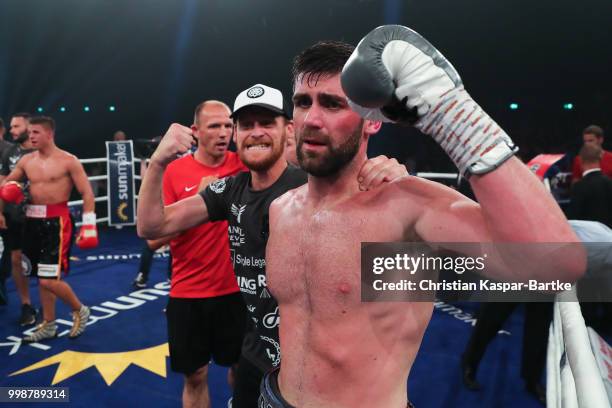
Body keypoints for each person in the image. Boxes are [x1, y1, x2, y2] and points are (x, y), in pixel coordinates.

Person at [261, 28, 584, 407]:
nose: (312, 119)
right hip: (274, 397)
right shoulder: (282, 208)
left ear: (372, 121)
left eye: (332, 104)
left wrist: (451, 114)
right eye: (303, 102)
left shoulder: (406, 211)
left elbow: (556, 265)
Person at [137, 83, 408, 407]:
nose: (256, 132)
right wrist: (157, 163)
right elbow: (152, 227)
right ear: (236, 135)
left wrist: (397, 190)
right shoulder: (228, 191)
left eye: (267, 122)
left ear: (288, 129)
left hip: (317, 366)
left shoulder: (315, 184)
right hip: (257, 354)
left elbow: (456, 273)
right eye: (246, 125)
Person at [0, 116, 97, 342]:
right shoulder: (26, 162)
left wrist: (90, 224)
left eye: (35, 132)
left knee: (48, 279)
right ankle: (49, 324)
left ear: (49, 134)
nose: (31, 136)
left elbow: (87, 193)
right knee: (39, 276)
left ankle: (80, 310)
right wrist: (9, 192)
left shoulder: (68, 160)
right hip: (32, 222)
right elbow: (6, 184)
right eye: (30, 132)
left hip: (57, 223)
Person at [0, 113, 37, 325]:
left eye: (16, 126)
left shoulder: (43, 151)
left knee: (42, 264)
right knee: (16, 260)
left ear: (28, 126)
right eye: (11, 126)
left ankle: (47, 308)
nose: (12, 130)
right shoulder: (9, 152)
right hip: (14, 216)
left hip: (39, 215)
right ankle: (26, 304)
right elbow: (2, 182)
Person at [567, 144, 612, 227]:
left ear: (580, 160)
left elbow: (573, 219)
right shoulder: (609, 183)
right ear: (600, 158)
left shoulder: (579, 187)